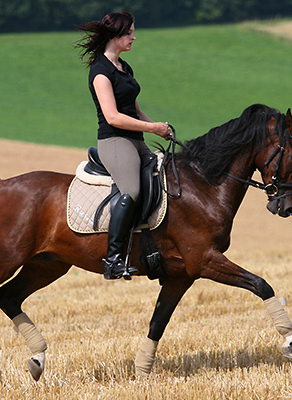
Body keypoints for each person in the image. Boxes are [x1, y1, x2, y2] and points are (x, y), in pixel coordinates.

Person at [76, 11, 172, 280]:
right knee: (130, 190)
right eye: (129, 32)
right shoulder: (100, 72)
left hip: (136, 140)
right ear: (115, 36)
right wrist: (152, 128)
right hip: (115, 141)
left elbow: (135, 110)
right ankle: (114, 259)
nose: (134, 37)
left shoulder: (124, 68)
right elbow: (114, 117)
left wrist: (159, 128)